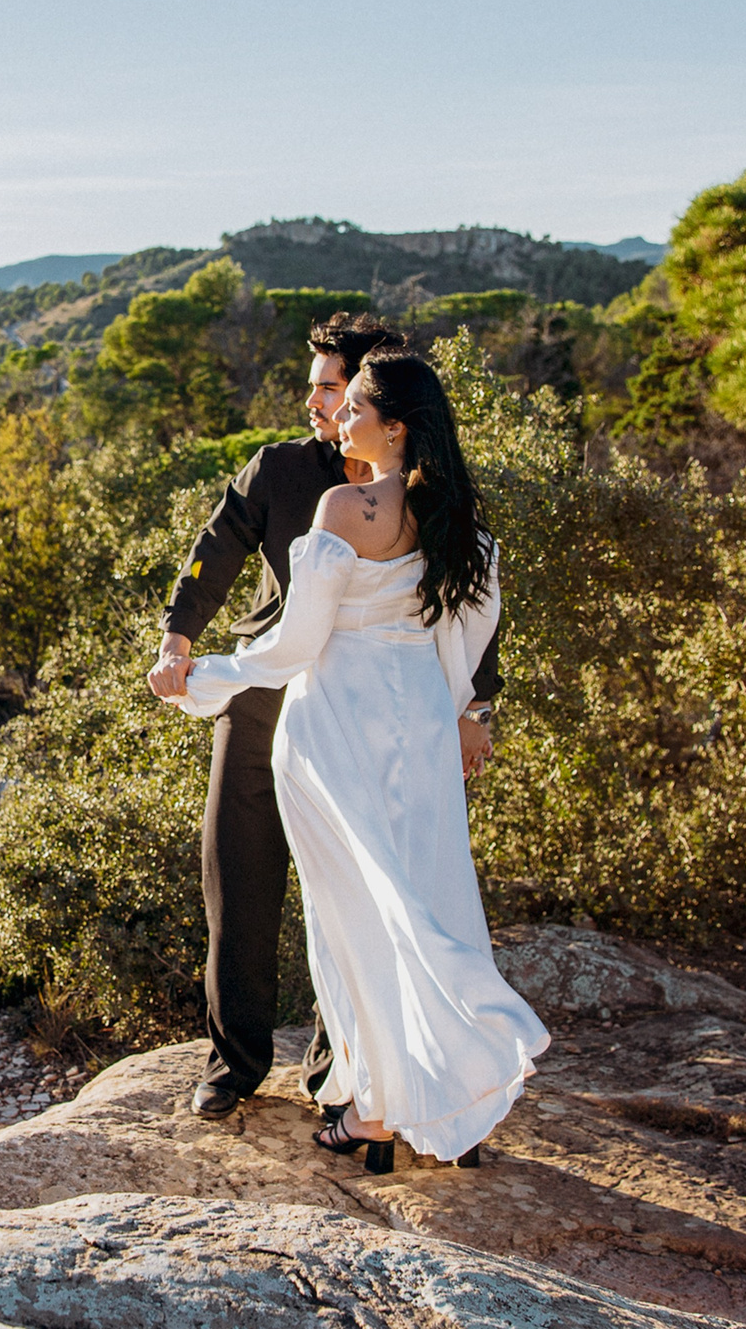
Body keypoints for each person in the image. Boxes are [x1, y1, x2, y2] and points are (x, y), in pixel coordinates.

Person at [156, 349, 547, 1170]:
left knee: (348, 918)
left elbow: (297, 641)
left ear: (393, 425)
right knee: (421, 899)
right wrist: (454, 716)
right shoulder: (464, 526)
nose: (336, 415)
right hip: (419, 732)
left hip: (333, 722)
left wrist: (205, 678)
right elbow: (468, 640)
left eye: (352, 402)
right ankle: (423, 1092)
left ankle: (372, 1104)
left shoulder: (343, 505)